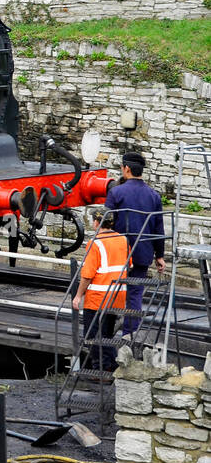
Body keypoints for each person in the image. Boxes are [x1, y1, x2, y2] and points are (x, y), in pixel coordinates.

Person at [104, 151, 166, 332]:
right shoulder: (154, 196)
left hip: (118, 253)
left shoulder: (116, 192)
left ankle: (106, 332)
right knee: (135, 295)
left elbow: (106, 223)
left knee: (112, 292)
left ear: (127, 169)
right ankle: (130, 336)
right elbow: (158, 229)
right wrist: (160, 255)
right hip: (142, 252)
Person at [72, 210, 129, 371]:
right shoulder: (123, 240)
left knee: (93, 337)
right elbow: (128, 265)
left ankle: (104, 368)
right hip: (117, 295)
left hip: (98, 297)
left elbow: (87, 274)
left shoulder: (95, 243)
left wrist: (78, 296)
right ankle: (109, 367)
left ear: (97, 223)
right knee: (107, 336)